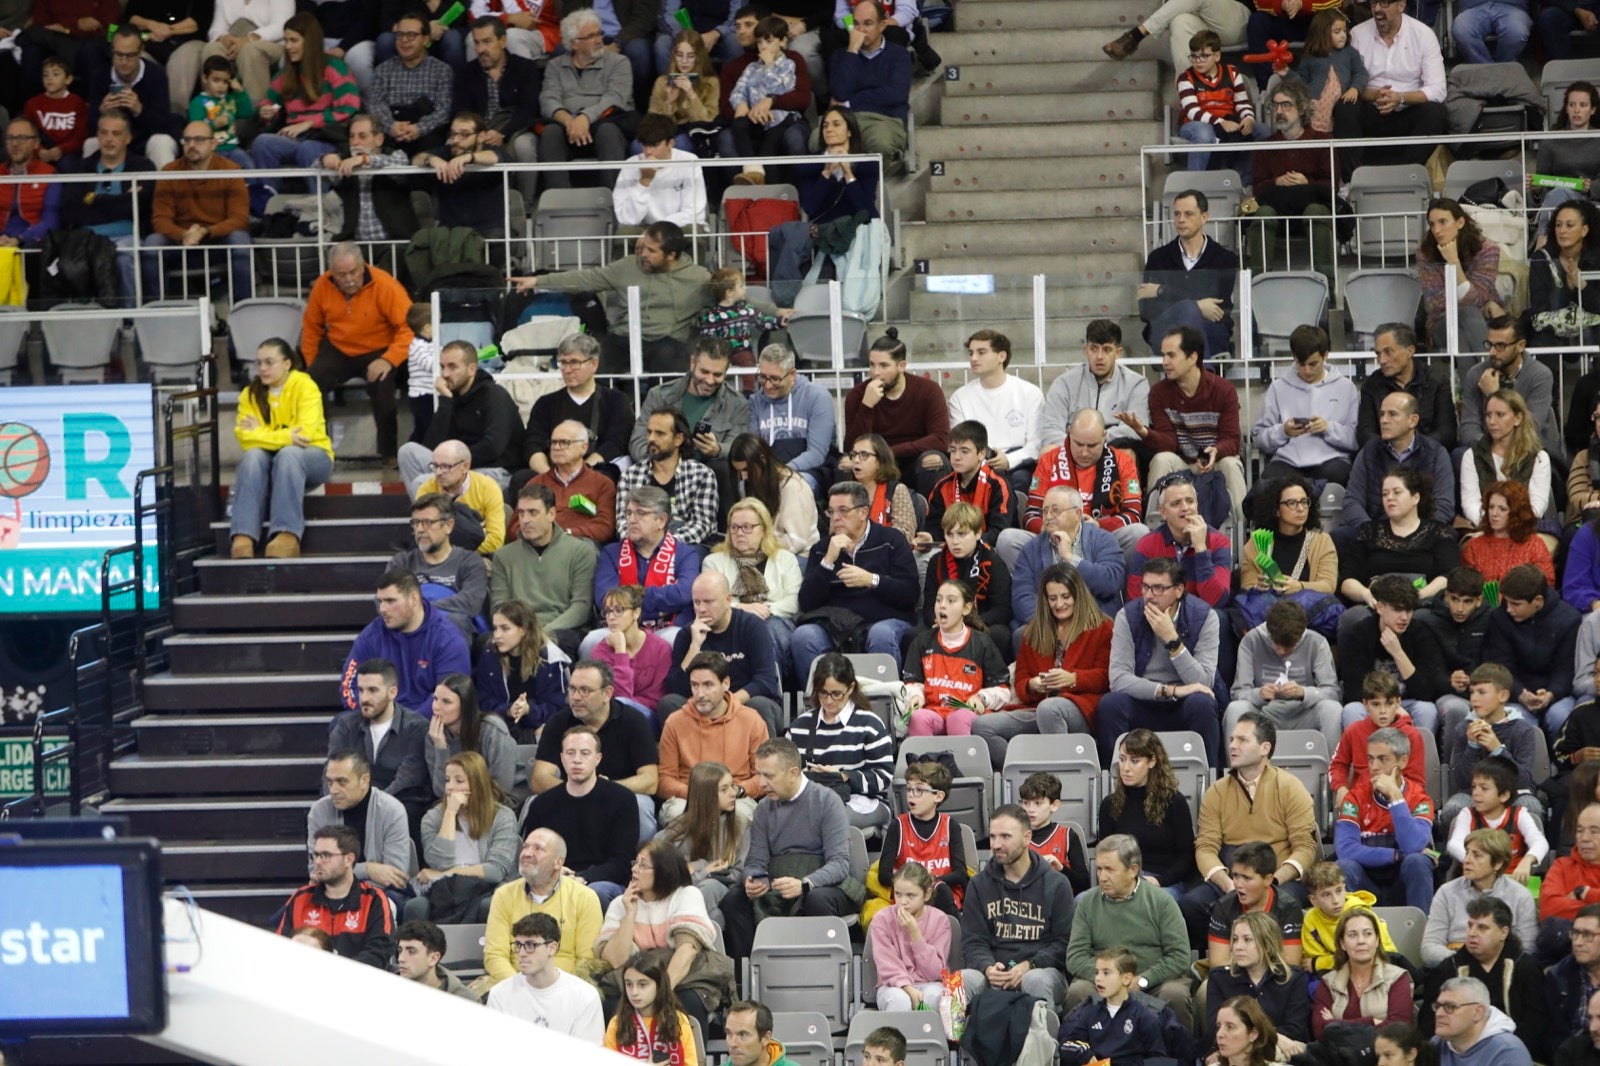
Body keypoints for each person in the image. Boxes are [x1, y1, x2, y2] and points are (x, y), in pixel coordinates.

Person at [1182, 713, 1320, 942]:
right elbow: (1205, 847)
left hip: (1277, 878)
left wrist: (1272, 881)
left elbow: (1306, 847)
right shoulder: (1216, 792)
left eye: (1242, 740)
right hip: (1231, 876)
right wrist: (1227, 883)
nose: (1233, 746)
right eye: (1232, 740)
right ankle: (1215, 964)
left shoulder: (1290, 787)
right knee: (1190, 906)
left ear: (1265, 748)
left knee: (1283, 904)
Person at [719, 738, 860, 960]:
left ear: (793, 773)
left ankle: (822, 974)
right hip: (780, 884)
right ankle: (751, 976)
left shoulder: (826, 801)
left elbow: (840, 864)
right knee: (734, 899)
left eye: (769, 776)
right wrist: (754, 880)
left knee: (817, 899)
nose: (761, 783)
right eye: (759, 775)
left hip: (822, 884)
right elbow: (756, 861)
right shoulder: (764, 808)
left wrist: (805, 884)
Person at [513, 223, 714, 375]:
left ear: (671, 255)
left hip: (667, 343)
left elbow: (725, 298)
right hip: (623, 338)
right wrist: (538, 281)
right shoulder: (628, 266)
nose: (643, 254)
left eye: (651, 251)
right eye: (643, 247)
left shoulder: (698, 278)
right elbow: (585, 279)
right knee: (595, 362)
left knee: (669, 358)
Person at [971, 562, 1112, 768]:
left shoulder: (1103, 627)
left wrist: (1073, 679)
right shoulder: (1033, 632)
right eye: (1052, 598)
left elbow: (1107, 677)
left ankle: (1064, 775)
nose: (1059, 604)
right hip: (1037, 707)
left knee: (1050, 709)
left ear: (1078, 595)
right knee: (982, 726)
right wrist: (1032, 685)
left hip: (1080, 708)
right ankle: (1031, 775)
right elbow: (1021, 680)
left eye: (1065, 597)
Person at [1099, 555, 1223, 767]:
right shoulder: (1127, 616)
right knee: (1110, 704)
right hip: (1144, 698)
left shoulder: (1205, 617)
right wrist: (1170, 691)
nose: (1149, 596)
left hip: (1185, 704)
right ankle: (1117, 782)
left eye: (1158, 589)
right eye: (1145, 587)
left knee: (1202, 703)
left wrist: (1172, 640)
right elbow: (1118, 679)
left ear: (1179, 590)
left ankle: (1209, 782)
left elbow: (1203, 681)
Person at [791, 480, 920, 682]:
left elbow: (910, 593)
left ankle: (888, 705)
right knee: (803, 636)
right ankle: (819, 705)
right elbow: (807, 603)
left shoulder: (891, 540)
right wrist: (828, 561)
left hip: (884, 620)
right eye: (831, 512)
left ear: (863, 513)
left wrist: (872, 580)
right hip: (836, 626)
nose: (836, 518)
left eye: (843, 511)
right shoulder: (821, 548)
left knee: (881, 634)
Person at [301, 243, 414, 468]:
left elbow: (408, 326)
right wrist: (313, 363)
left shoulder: (385, 284)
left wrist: (389, 359)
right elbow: (311, 329)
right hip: (339, 348)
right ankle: (318, 450)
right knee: (310, 383)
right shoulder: (322, 286)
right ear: (332, 273)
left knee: (382, 386)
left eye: (354, 272)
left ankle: (389, 453)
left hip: (380, 349)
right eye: (342, 275)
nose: (349, 279)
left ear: (363, 266)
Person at [1064, 834, 1192, 1028]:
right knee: (1078, 991)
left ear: (1133, 870)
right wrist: (1110, 979)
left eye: (1109, 869)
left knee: (1175, 995)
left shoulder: (1162, 902)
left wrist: (1143, 980)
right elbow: (1075, 956)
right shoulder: (1087, 903)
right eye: (1099, 869)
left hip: (1151, 983)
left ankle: (1178, 1058)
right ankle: (1081, 1055)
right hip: (1103, 982)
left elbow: (1180, 956)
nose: (1102, 877)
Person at [597, 839, 728, 1028]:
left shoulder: (686, 895)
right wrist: (630, 915)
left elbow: (687, 951)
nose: (634, 870)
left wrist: (660, 993)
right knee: (610, 1002)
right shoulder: (621, 903)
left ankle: (691, 1058)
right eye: (635, 863)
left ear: (663, 869)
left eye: (643, 865)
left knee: (687, 1002)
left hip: (682, 978)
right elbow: (616, 961)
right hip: (634, 981)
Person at [528, 660, 662, 840]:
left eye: (584, 690)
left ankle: (638, 864)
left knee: (640, 805)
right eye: (572, 689)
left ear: (607, 693)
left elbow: (650, 780)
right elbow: (539, 779)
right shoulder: (558, 722)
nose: (575, 697)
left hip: (617, 795)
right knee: (535, 803)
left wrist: (605, 788)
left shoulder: (633, 721)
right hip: (570, 794)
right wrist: (579, 789)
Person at [958, 804, 1073, 1010]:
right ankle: (961, 1042)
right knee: (963, 980)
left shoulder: (1057, 883)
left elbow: (1063, 943)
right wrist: (987, 967)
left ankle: (1040, 1041)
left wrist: (1030, 965)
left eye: (1005, 836)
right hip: (996, 971)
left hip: (1042, 971)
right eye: (993, 837)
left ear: (1027, 838)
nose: (996, 844)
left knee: (1035, 980)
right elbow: (973, 941)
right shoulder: (979, 884)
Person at [227, 339, 333, 561]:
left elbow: (305, 435)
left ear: (287, 363)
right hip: (272, 460)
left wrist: (263, 433)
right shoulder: (250, 394)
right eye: (259, 363)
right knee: (253, 456)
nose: (262, 369)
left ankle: (286, 534)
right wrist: (286, 436)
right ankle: (243, 536)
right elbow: (245, 439)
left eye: (269, 362)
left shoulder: (305, 386)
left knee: (289, 454)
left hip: (315, 457)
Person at [522, 724, 640, 910]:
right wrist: (556, 876)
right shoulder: (542, 804)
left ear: (598, 758)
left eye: (585, 753)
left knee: (593, 893)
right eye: (570, 753)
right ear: (561, 758)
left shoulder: (622, 799)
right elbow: (532, 854)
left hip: (602, 882)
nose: (577, 760)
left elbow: (622, 862)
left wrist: (583, 878)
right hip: (554, 878)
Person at [1140, 325, 1248, 517]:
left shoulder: (1224, 390)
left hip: (1216, 461)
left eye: (1171, 355)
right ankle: (1153, 527)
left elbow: (1232, 439)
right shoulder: (1159, 393)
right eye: (1163, 355)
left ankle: (1243, 533)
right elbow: (1168, 442)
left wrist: (1216, 451)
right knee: (1161, 459)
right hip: (1182, 462)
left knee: (1232, 464)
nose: (1165, 362)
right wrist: (1144, 432)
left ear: (1192, 358)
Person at [658, 572, 783, 736]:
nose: (701, 609)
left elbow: (765, 681)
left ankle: (765, 761)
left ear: (728, 599)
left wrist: (725, 705)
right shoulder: (687, 634)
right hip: (702, 704)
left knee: (759, 705)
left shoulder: (752, 626)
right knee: (669, 703)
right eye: (697, 602)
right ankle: (690, 761)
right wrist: (695, 646)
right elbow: (675, 688)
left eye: (708, 602)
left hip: (745, 702)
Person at [630, 338, 751, 508]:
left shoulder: (737, 403)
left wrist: (717, 450)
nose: (709, 380)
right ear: (692, 362)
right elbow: (637, 442)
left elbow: (737, 446)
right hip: (659, 468)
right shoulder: (659, 395)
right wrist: (664, 458)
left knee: (723, 469)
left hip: (707, 474)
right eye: (704, 372)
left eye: (717, 375)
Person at [1017, 408, 1147, 560]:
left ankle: (1118, 581)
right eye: (1079, 444)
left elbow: (1133, 515)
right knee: (1009, 538)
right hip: (1053, 539)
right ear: (1069, 433)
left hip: (1103, 538)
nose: (1084, 453)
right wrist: (1048, 528)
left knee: (1139, 532)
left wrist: (1098, 526)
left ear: (1104, 436)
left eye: (1092, 446)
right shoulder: (1048, 460)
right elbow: (1031, 514)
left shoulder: (1123, 462)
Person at [340, 568, 472, 715]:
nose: (382, 609)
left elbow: (449, 696)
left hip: (428, 724)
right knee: (340, 724)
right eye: (380, 601)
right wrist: (379, 720)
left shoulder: (448, 639)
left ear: (414, 599)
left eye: (390, 601)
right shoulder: (371, 636)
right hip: (379, 719)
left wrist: (404, 727)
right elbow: (349, 687)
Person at [657, 652, 769, 824]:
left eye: (708, 685)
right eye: (694, 685)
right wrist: (701, 795)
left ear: (726, 683)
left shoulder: (752, 720)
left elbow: (762, 776)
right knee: (676, 815)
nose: (700, 693)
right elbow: (665, 779)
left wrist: (734, 791)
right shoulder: (675, 722)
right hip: (690, 796)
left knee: (739, 819)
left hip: (736, 796)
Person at [787, 651, 894, 830]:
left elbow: (884, 777)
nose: (828, 701)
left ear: (850, 688)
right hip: (812, 800)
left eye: (836, 694)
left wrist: (843, 776)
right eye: (823, 693)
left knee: (831, 817)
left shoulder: (869, 724)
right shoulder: (799, 726)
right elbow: (787, 773)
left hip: (861, 800)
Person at [398, 340, 521, 496]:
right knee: (407, 452)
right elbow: (431, 447)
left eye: (452, 367)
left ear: (471, 369)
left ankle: (434, 517)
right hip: (460, 467)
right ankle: (435, 516)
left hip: (497, 471)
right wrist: (446, 402)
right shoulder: (452, 398)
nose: (445, 374)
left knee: (422, 483)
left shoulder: (494, 395)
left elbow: (493, 447)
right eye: (442, 367)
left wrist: (452, 463)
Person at [516, 333, 634, 496]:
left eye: (575, 363)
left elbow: (615, 443)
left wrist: (581, 472)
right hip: (552, 471)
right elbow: (532, 443)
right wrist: (551, 475)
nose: (567, 369)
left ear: (594, 364)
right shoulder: (546, 403)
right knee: (520, 479)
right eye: (563, 363)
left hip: (595, 469)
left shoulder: (616, 401)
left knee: (606, 478)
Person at [491, 483, 600, 657]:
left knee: (555, 642)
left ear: (551, 514)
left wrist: (541, 633)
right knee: (486, 645)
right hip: (517, 630)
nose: (525, 520)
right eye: (521, 513)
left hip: (562, 629)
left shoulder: (580, 551)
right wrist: (519, 632)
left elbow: (581, 607)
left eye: (533, 512)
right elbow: (500, 606)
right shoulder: (504, 556)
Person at [144, 119, 249, 302]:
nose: (191, 145)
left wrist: (205, 232)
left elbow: (239, 219)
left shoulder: (230, 170)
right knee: (153, 243)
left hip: (217, 241)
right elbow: (160, 219)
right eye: (187, 140)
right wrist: (183, 235)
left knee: (240, 240)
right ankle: (157, 311)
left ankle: (243, 310)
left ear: (213, 144)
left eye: (199, 140)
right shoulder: (169, 172)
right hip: (181, 243)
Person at [407, 750, 519, 921]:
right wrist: (450, 813)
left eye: (459, 781)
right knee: (417, 906)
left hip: (486, 889)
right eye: (447, 780)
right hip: (445, 891)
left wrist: (445, 874)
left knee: (486, 904)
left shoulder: (502, 816)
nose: (450, 787)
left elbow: (495, 871)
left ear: (477, 784)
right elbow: (439, 862)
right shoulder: (433, 818)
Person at [483, 828, 604, 984]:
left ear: (558, 862)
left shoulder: (585, 897)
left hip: (568, 989)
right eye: (525, 847)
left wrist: (560, 992)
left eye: (538, 848)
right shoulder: (503, 895)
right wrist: (519, 989)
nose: (527, 853)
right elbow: (494, 955)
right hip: (514, 985)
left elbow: (587, 960)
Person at [1246, 79, 1337, 284]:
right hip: (1277, 211)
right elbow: (1258, 188)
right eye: (1275, 105)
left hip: (1312, 210)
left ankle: (1326, 285)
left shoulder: (1323, 142)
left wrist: (1308, 182)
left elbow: (1332, 186)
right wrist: (1276, 182)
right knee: (1263, 214)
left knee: (1315, 211)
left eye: (1286, 105)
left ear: (1302, 108)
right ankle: (1259, 284)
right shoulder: (1265, 147)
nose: (1279, 111)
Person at [1335, 727, 1437, 911]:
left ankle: (1424, 936)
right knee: (1343, 866)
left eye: (1383, 759)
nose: (1374, 767)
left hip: (1402, 882)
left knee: (1418, 862)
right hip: (1365, 882)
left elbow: (1413, 847)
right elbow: (1346, 850)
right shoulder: (1355, 797)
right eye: (1370, 759)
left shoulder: (1420, 799)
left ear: (1403, 761)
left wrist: (1396, 798)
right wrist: (1396, 855)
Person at [843, 328, 951, 497]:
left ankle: (932, 522)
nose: (875, 372)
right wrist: (867, 407)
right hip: (874, 461)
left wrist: (889, 452)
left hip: (914, 459)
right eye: (872, 364)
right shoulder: (858, 395)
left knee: (934, 461)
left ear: (901, 366)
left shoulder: (928, 390)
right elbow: (851, 446)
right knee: (845, 465)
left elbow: (941, 439)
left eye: (883, 365)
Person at [1337, 576, 1452, 735]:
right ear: (1379, 607)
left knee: (1427, 710)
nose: (1404, 617)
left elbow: (1426, 692)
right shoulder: (1360, 634)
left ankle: (1417, 758)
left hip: (1407, 702)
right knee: (1352, 710)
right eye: (1397, 609)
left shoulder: (1420, 633)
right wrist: (1386, 708)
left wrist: (1398, 653)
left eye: (1409, 610)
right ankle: (1361, 759)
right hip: (1372, 703)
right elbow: (1354, 691)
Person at [1235, 475, 1342, 643]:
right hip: (1267, 608)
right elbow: (1247, 588)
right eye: (1292, 503)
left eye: (1304, 502)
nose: (1300, 508)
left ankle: (1276, 627)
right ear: (1276, 510)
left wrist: (1299, 586)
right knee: (1243, 607)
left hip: (1306, 616)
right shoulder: (1256, 543)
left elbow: (1328, 586)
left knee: (1328, 604)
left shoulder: (1322, 540)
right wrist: (1259, 586)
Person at [537, 9, 637, 188]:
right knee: (550, 133)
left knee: (608, 131)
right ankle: (559, 202)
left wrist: (584, 118)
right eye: (591, 36)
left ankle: (612, 202)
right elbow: (548, 99)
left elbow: (614, 98)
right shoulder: (555, 66)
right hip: (569, 129)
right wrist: (570, 121)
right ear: (574, 43)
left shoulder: (619, 62)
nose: (599, 40)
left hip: (606, 124)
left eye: (599, 33)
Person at [1483, 564, 1583, 742]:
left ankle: (1561, 767)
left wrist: (1551, 694)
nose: (1509, 609)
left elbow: (1565, 668)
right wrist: (1520, 692)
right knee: (1519, 723)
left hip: (1556, 694)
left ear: (1537, 601)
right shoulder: (1499, 618)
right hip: (1515, 693)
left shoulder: (1569, 619)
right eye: (1506, 601)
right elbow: (1501, 666)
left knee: (1562, 717)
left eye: (1516, 604)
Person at [594, 483, 702, 648]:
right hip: (619, 629)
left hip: (667, 629)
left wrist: (631, 601)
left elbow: (684, 595)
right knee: (591, 641)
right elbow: (605, 599)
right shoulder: (611, 553)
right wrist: (660, 608)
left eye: (640, 513)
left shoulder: (686, 554)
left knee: (675, 638)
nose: (631, 520)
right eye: (629, 513)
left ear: (661, 520)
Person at [1226, 599, 1343, 749]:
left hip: (1303, 714)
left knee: (1332, 709)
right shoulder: (1252, 641)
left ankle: (1332, 770)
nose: (1281, 652)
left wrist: (1303, 692)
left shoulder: (1317, 642)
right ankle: (1236, 770)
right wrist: (1258, 694)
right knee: (1235, 709)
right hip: (1264, 713)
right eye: (1276, 644)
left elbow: (1332, 692)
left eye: (1289, 647)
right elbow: (1238, 693)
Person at [1439, 668, 1545, 832]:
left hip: (1515, 792)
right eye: (1472, 692)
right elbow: (1461, 780)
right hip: (1474, 792)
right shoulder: (1463, 728)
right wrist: (1472, 746)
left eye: (1482, 692)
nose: (1474, 698)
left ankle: (1524, 857)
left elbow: (1523, 780)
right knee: (1453, 809)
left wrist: (1497, 749)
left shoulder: (1522, 729)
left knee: (1530, 808)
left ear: (1503, 695)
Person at [249, 13, 360, 170]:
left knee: (308, 148)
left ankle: (319, 196)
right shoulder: (284, 74)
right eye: (286, 41)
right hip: (294, 138)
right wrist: (265, 112)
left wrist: (309, 123)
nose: (288, 46)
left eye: (294, 40)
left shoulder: (335, 67)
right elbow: (267, 103)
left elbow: (349, 108)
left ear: (310, 42)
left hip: (326, 138)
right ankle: (267, 193)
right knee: (263, 142)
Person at [902, 579, 1011, 737]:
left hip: (966, 712)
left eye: (951, 601)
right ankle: (924, 762)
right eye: (938, 600)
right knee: (918, 717)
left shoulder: (982, 643)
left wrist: (982, 698)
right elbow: (912, 683)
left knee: (959, 718)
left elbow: (1003, 691)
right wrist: (915, 697)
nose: (942, 605)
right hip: (934, 712)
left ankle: (963, 762)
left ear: (966, 608)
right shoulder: (921, 642)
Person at [1340, 466, 1461, 608]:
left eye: (1397, 492)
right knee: (1352, 619)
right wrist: (1366, 594)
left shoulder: (1439, 532)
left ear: (1415, 497)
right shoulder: (1367, 532)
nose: (1389, 498)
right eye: (1385, 494)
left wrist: (1418, 595)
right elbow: (1347, 581)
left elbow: (1448, 575)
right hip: (1376, 605)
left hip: (1423, 604)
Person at [1137, 193, 1239, 361]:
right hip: (1166, 330)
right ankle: (1205, 380)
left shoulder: (1224, 259)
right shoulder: (1158, 258)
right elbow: (1146, 310)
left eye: (1188, 214)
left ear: (1204, 217)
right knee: (1187, 326)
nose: (1181, 219)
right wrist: (1198, 305)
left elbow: (1216, 310)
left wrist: (1162, 292)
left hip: (1209, 330)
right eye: (1177, 214)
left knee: (1194, 332)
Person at [277, 824, 396, 967]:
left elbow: (379, 952)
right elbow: (281, 947)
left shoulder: (373, 899)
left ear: (349, 859)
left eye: (326, 855)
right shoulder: (301, 898)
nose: (317, 862)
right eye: (316, 855)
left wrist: (338, 973)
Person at [1043, 321, 1154, 474]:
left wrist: (1095, 444)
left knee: (1127, 454)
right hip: (1072, 450)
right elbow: (1050, 430)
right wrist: (1079, 446)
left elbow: (1136, 430)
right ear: (1086, 350)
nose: (1099, 356)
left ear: (1118, 352)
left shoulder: (1136, 384)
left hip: (1114, 448)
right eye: (1093, 349)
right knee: (1047, 452)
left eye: (1107, 350)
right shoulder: (1064, 383)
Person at [1252, 326, 1358, 487]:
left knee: (1344, 477)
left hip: (1332, 460)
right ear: (1294, 357)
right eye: (1301, 364)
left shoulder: (1346, 387)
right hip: (1287, 461)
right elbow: (1259, 438)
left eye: (1313, 364)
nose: (1306, 370)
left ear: (1326, 356)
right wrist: (1283, 431)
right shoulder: (1278, 387)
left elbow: (1355, 439)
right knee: (1266, 487)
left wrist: (1328, 428)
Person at [1341, 392, 1458, 536]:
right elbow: (1352, 501)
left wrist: (1415, 534)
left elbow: (1444, 506)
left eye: (1392, 414)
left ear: (1413, 420)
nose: (1384, 420)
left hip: (1422, 537)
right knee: (1339, 536)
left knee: (1449, 537)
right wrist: (1374, 533)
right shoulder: (1369, 452)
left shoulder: (1436, 453)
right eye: (1382, 414)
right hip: (1374, 533)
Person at [1347, 0, 1446, 169]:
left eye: (1384, 3)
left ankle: (1407, 172)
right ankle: (1351, 179)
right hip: (1371, 108)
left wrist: (1401, 98)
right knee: (1345, 107)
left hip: (1408, 110)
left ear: (1401, 5)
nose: (1377, 9)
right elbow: (1349, 83)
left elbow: (1438, 89)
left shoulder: (1423, 34)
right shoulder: (1357, 34)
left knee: (1436, 112)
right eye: (1373, 3)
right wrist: (1374, 95)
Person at [327, 659, 432, 818]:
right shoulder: (345, 726)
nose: (364, 698)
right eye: (361, 690)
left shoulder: (417, 727)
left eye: (372, 690)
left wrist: (371, 807)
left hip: (398, 806)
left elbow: (407, 780)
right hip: (353, 802)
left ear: (392, 692)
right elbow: (330, 771)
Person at [948, 329, 1045, 499]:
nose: (973, 359)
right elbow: (959, 444)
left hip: (1018, 465)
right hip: (976, 465)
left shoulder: (1030, 393)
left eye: (981, 352)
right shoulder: (959, 397)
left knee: (1021, 480)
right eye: (971, 353)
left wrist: (1008, 460)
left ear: (1002, 356)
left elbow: (1036, 445)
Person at [1097, 729, 1197, 892]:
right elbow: (1106, 855)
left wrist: (1159, 881)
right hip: (1122, 879)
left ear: (1152, 761)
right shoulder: (1109, 804)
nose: (1125, 768)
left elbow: (1186, 857)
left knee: (1150, 905)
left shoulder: (1174, 802)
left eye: (1134, 761)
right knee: (1081, 901)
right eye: (1122, 760)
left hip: (1163, 882)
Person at [703, 497, 803, 662]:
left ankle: (771, 683)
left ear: (764, 529)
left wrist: (764, 609)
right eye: (734, 527)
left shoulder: (785, 559)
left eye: (747, 527)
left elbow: (794, 601)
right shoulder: (713, 561)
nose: (739, 533)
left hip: (775, 619)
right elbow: (710, 601)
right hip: (730, 621)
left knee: (767, 629)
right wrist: (741, 608)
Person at [453, 17, 542, 201]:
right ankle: (470, 206)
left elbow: (528, 109)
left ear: (502, 41)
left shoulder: (525, 68)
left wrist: (502, 134)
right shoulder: (465, 73)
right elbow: (461, 112)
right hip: (478, 131)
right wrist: (478, 134)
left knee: (524, 145)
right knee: (453, 144)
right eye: (477, 43)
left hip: (515, 128)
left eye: (487, 42)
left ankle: (524, 205)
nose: (480, 49)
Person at [307, 751, 417, 898]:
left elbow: (394, 878)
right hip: (331, 893)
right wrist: (368, 869)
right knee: (282, 916)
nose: (333, 790)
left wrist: (338, 874)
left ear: (364, 780)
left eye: (342, 782)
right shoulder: (319, 811)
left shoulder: (392, 810)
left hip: (383, 895)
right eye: (330, 782)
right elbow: (317, 870)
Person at [1423, 831, 1540, 968]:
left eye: (1477, 855)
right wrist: (1463, 962)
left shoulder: (1520, 895)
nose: (1467, 860)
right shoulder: (1446, 892)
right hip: (1455, 967)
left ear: (1497, 864)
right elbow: (1429, 947)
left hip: (1503, 970)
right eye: (1467, 853)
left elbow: (1528, 949)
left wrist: (1490, 966)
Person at [1008, 484, 1126, 620]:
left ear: (1078, 514)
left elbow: (1110, 583)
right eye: (1045, 511)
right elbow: (1022, 598)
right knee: (1021, 635)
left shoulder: (1103, 540)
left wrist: (1070, 558)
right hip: (1048, 625)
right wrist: (1054, 623)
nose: (1048, 516)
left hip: (1093, 621)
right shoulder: (1030, 549)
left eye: (1055, 510)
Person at [868, 759, 968, 917]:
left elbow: (961, 874)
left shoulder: (950, 825)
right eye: (909, 790)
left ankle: (957, 934)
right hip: (907, 898)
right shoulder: (898, 826)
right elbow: (884, 875)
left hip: (941, 894)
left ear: (938, 796)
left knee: (940, 889)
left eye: (919, 790)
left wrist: (930, 882)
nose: (911, 796)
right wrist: (914, 886)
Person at [485, 911, 607, 1040]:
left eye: (530, 945)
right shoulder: (499, 995)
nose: (521, 953)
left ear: (552, 948)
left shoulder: (585, 996)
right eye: (518, 945)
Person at [1459, 316, 1563, 465]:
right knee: (1460, 456)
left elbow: (1530, 428)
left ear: (1520, 345)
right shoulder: (1476, 374)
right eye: (1490, 344)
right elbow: (1468, 427)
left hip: (1528, 451)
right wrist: (1491, 450)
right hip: (1485, 450)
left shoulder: (1540, 375)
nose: (1492, 352)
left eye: (1500, 346)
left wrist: (1493, 396)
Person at [1205, 912, 1312, 1054]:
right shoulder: (1219, 979)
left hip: (1279, 1053)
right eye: (1235, 939)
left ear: (1267, 944)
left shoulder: (1293, 978)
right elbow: (1217, 1030)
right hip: (1234, 1053)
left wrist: (1252, 1037)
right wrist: (1274, 1036)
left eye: (1247, 940)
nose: (1238, 946)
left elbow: (1295, 1030)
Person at [820, 1, 909, 166]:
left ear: (882, 25)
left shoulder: (899, 55)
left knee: (879, 143)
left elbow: (896, 93)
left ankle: (866, 186)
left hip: (884, 119)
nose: (860, 30)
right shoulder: (841, 56)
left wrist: (849, 102)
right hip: (844, 120)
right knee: (814, 141)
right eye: (855, 24)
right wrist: (852, 50)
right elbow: (840, 92)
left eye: (868, 23)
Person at [1128, 471, 1233, 609]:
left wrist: (1201, 549)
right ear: (1163, 512)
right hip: (1159, 615)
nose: (1185, 508)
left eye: (1190, 501)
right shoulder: (1146, 545)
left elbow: (1218, 601)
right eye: (1176, 503)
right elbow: (1135, 599)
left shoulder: (1219, 542)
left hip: (1202, 619)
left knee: (1220, 618)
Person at [616, 411, 720, 550]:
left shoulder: (702, 475)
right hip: (640, 545)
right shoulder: (630, 476)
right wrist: (645, 544)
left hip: (685, 546)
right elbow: (623, 523)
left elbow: (702, 525)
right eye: (649, 432)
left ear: (678, 439)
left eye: (659, 433)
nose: (651, 438)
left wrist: (664, 546)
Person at [658, 760, 750, 915]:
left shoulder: (741, 826)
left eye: (732, 786)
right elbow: (663, 876)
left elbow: (738, 874)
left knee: (709, 887)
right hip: (683, 894)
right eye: (724, 789)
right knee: (715, 916)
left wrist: (699, 871)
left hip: (723, 889)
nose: (733, 793)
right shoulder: (676, 831)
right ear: (706, 795)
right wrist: (704, 870)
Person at [394, 492, 489, 641]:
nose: (419, 529)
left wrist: (420, 607)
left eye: (427, 522)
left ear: (448, 526)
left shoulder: (469, 562)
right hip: (409, 640)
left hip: (452, 640)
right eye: (416, 523)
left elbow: (471, 602)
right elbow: (386, 600)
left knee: (453, 621)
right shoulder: (402, 562)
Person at [1310, 907, 1417, 1037]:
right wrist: (1372, 1021)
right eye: (1352, 935)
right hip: (1338, 1056)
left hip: (1383, 1055)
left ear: (1377, 940)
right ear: (1342, 943)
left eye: (1367, 934)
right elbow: (1320, 1031)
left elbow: (1399, 1030)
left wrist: (1336, 1023)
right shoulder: (1328, 982)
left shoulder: (1397, 978)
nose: (1361, 941)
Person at [1058, 946, 1174, 1066]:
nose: (1098, 978)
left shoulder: (1144, 1017)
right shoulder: (1089, 1012)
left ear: (1126, 979)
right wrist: (1083, 1054)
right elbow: (1067, 1044)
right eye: (1096, 972)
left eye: (1106, 973)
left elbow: (1158, 1059)